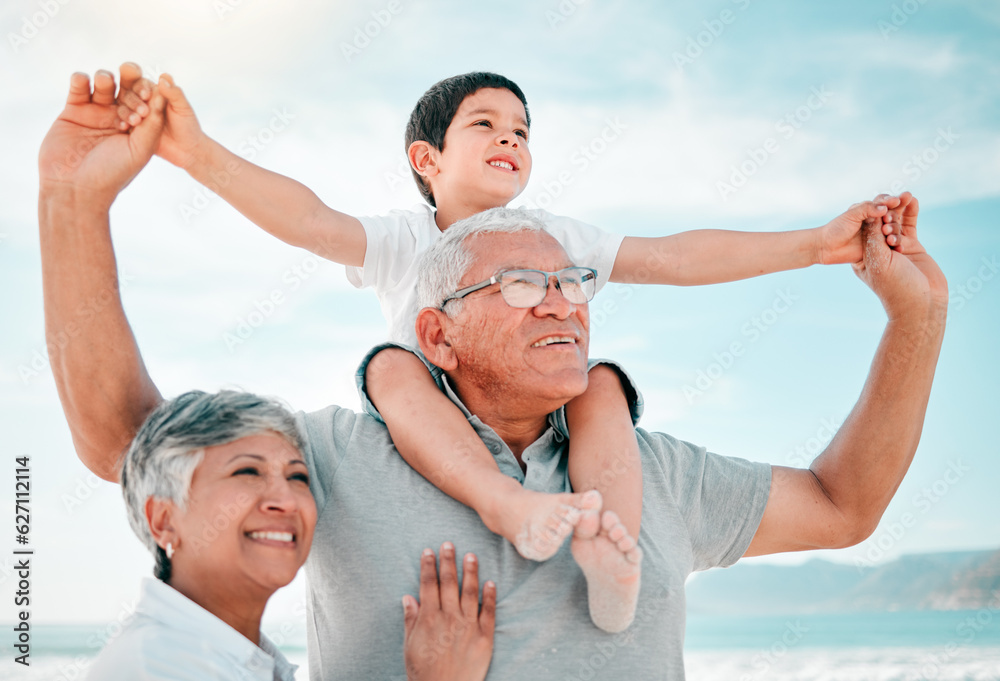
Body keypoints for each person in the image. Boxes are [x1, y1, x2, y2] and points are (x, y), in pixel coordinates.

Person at [40, 69, 947, 679]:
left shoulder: (644, 460)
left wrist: (912, 311)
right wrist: (78, 202)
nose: (561, 301)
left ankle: (609, 559)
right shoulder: (337, 450)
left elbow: (843, 504)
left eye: (571, 284)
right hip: (406, 392)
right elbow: (129, 439)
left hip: (595, 472)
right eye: (522, 284)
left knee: (603, 391)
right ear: (441, 330)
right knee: (387, 372)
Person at [85, 389, 496, 681]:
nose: (287, 500)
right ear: (164, 520)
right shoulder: (160, 667)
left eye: (298, 477)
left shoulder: (242, 656)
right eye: (247, 472)